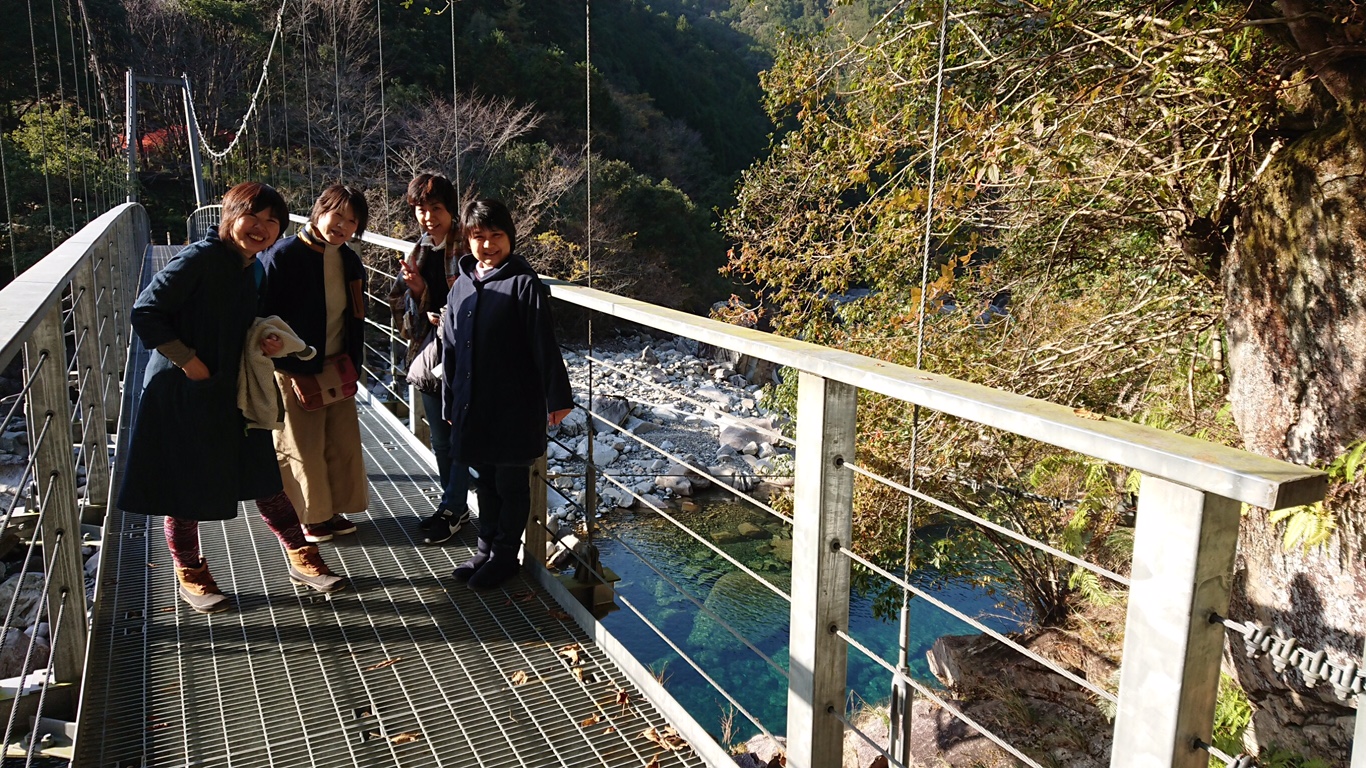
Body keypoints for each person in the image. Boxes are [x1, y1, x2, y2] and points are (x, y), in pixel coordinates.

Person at [118, 182, 343, 614]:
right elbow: (145, 311)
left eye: (271, 222)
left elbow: (238, 322)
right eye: (252, 218)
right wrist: (189, 362)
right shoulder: (199, 259)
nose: (260, 228)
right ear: (229, 218)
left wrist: (267, 342)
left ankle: (302, 557)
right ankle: (190, 571)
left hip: (231, 390)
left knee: (264, 477)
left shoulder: (249, 267)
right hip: (183, 392)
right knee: (186, 491)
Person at [440, 199, 574, 590]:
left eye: (496, 235)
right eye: (478, 237)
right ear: (467, 239)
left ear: (510, 237)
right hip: (472, 403)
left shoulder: (523, 283)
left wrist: (557, 398)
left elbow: (544, 344)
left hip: (514, 405)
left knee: (512, 484)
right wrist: (450, 400)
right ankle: (484, 548)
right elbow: (449, 348)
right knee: (484, 480)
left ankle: (504, 556)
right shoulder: (462, 283)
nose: (487, 245)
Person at [259, 184, 371, 543]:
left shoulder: (348, 258)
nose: (342, 226)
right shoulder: (283, 254)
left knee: (340, 442)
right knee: (301, 446)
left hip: (339, 364)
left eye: (351, 221)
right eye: (337, 215)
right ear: (319, 210)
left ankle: (332, 509)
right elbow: (260, 312)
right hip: (295, 366)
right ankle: (309, 515)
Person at [387, 173, 471, 544]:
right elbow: (407, 310)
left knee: (462, 437)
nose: (428, 217)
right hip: (428, 354)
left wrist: (449, 315)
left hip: (464, 357)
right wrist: (419, 292)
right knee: (440, 439)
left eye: (435, 209)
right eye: (421, 209)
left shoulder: (469, 246)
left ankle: (453, 507)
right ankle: (452, 506)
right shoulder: (418, 250)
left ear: (450, 210)